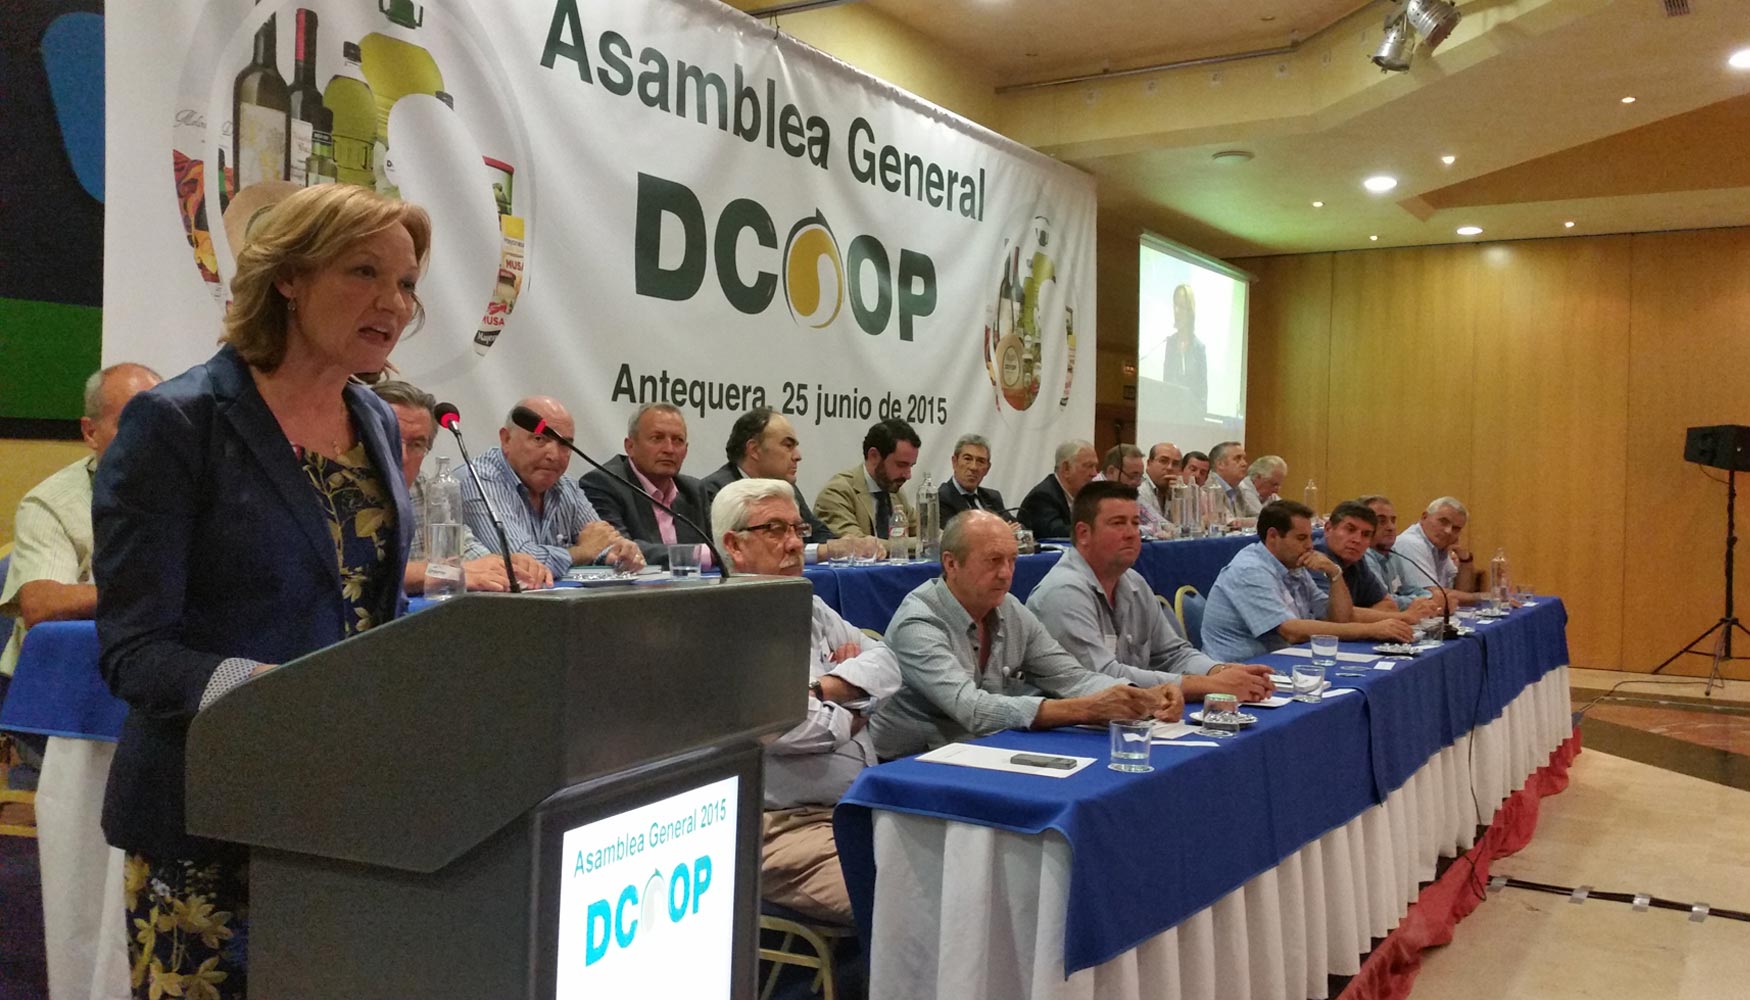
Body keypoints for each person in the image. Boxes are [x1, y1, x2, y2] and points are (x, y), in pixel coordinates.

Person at [92, 184, 427, 998]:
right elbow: (135, 652)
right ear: (288, 277)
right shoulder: (177, 424)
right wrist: (271, 696)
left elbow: (361, 604)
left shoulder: (375, 420)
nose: (393, 303)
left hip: (339, 807)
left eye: (409, 283)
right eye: (363, 272)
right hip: (208, 813)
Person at [0, 362, 159, 1000]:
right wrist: (148, 590)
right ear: (91, 432)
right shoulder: (55, 501)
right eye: (132, 420)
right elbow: (40, 602)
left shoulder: (189, 487)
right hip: (63, 706)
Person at [710, 478, 901, 923]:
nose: (794, 543)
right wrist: (857, 707)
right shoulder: (720, 628)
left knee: (955, 872)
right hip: (779, 828)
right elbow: (792, 724)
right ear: (734, 545)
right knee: (905, 901)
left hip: (859, 806)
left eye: (798, 529)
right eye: (775, 529)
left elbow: (889, 665)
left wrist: (827, 690)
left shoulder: (808, 603)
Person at [869, 510, 1179, 760]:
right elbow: (972, 710)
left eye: (1012, 560)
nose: (1006, 573)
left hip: (983, 752)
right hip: (910, 767)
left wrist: (1140, 695)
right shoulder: (919, 621)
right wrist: (1085, 708)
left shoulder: (1009, 609)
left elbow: (1071, 677)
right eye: (993, 560)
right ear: (951, 563)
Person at [1027, 482, 1276, 703]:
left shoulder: (1133, 581)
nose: (1131, 533)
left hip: (1132, 713)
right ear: (1083, 534)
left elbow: (1173, 653)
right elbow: (1101, 677)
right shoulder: (1063, 592)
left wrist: (1218, 671)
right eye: (1118, 523)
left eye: (1135, 523)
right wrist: (1210, 685)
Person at [369, 380, 552, 593]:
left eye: (417, 444)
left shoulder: (421, 487)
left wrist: (510, 566)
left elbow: (467, 553)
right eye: (390, 438)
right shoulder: (332, 490)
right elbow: (358, 575)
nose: (402, 455)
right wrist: (449, 572)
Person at [1199, 501, 1415, 662]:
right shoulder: (1249, 570)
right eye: (1302, 538)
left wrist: (1335, 574)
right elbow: (1292, 631)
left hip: (1278, 663)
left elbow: (1339, 619)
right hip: (1236, 670)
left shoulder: (1295, 565)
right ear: (1273, 536)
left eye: (1311, 537)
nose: (1311, 546)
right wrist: (1371, 629)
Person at [460, 396, 643, 579]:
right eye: (540, 439)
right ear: (506, 439)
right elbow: (520, 563)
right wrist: (581, 552)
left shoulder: (567, 487)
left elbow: (601, 542)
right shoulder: (478, 479)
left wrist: (621, 553)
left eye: (565, 444)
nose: (554, 455)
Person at [698, 407, 881, 562]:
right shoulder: (714, 492)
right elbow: (728, 554)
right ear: (754, 450)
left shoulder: (785, 489)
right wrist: (821, 551)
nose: (798, 455)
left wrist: (849, 545)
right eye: (788, 445)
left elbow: (821, 536)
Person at [580, 402, 712, 569]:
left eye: (678, 440)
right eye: (657, 438)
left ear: (685, 450)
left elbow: (716, 546)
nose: (669, 449)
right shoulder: (603, 483)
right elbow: (621, 550)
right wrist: (699, 554)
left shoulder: (693, 490)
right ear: (630, 446)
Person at [1313, 500, 1438, 624]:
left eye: (1366, 534)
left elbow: (1388, 605)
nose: (1357, 540)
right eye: (1350, 530)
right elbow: (1336, 615)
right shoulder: (1317, 558)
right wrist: (1405, 616)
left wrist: (1358, 614)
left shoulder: (1357, 561)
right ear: (1328, 528)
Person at [814, 418, 920, 540]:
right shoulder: (836, 493)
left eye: (911, 466)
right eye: (901, 465)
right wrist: (922, 544)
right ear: (874, 456)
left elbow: (926, 533)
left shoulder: (895, 493)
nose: (908, 475)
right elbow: (859, 547)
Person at [1390, 496, 1487, 608]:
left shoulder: (1439, 547)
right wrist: (1487, 597)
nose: (1448, 531)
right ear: (1424, 517)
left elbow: (1462, 591)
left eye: (1456, 528)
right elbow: (1434, 595)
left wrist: (1465, 559)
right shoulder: (1410, 543)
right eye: (1443, 522)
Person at [1018, 439, 1097, 539]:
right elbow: (1056, 533)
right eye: (1088, 466)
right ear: (1066, 469)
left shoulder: (1085, 496)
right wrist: (1097, 531)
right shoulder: (1042, 497)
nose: (1094, 473)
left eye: (1095, 466)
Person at [1101, 443, 1174, 538]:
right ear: (1111, 471)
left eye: (1140, 476)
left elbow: (1158, 521)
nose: (1138, 483)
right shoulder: (1094, 494)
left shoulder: (1128, 492)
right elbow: (1118, 530)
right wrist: (1152, 530)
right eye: (1133, 476)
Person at [1358, 494, 1417, 610]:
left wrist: (1430, 597)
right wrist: (1419, 602)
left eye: (1393, 520)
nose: (1391, 527)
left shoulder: (1392, 553)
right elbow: (1384, 601)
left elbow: (1408, 589)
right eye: (1381, 521)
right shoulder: (1363, 556)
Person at [1160, 283, 1208, 419]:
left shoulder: (1199, 349)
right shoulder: (1170, 343)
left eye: (1181, 306)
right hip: (1170, 419)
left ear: (1190, 310)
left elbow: (1202, 396)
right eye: (1175, 305)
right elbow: (1165, 386)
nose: (1176, 310)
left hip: (1192, 421)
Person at [938, 433, 1007, 519]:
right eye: (967, 459)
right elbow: (954, 532)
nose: (973, 467)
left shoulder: (993, 497)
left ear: (987, 468)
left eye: (980, 461)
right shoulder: (940, 498)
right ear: (954, 462)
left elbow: (1018, 526)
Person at [1138, 442, 1181, 518]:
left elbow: (1185, 525)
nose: (1170, 468)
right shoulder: (1140, 489)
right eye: (1163, 461)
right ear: (1149, 464)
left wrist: (1176, 497)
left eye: (1175, 463)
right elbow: (1155, 525)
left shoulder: (1174, 490)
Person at [1207, 441, 1248, 519]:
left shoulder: (1239, 489)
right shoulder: (1208, 487)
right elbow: (1228, 522)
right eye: (1237, 459)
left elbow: (1255, 517)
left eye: (1244, 459)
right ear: (1220, 464)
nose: (1244, 463)